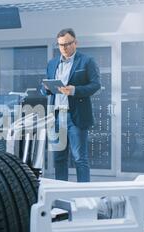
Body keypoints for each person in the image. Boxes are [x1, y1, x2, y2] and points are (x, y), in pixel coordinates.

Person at [40, 28, 101, 182]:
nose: (64, 48)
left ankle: (84, 195)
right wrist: (45, 88)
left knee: (80, 158)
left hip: (76, 117)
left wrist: (75, 90)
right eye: (61, 45)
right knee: (59, 159)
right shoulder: (52, 63)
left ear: (76, 43)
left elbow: (95, 85)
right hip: (56, 116)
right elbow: (45, 90)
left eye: (68, 44)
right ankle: (61, 193)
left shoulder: (86, 61)